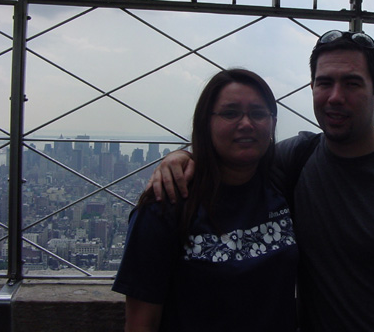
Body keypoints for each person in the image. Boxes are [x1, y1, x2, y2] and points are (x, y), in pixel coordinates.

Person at [149, 30, 374, 332]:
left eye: (351, 84)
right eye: (324, 83)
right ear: (312, 89)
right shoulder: (296, 159)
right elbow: (233, 155)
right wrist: (182, 157)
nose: (335, 96)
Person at [112, 69, 299, 331]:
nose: (246, 124)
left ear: (272, 122)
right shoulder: (166, 204)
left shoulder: (284, 184)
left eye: (258, 114)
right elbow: (141, 324)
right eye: (230, 113)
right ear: (205, 123)